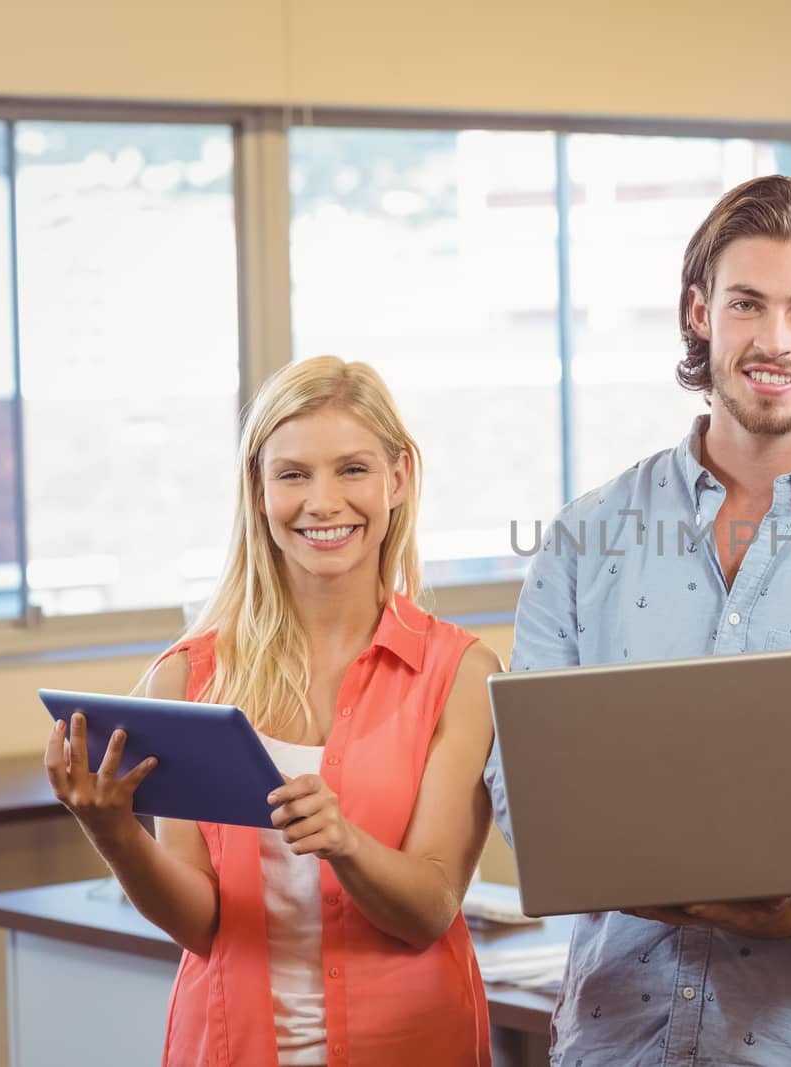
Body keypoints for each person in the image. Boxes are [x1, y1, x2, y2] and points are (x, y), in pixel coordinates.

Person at [484, 174, 791, 1066]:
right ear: (699, 311)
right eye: (747, 303)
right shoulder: (584, 538)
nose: (775, 340)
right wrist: (618, 864)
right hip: (613, 1042)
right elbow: (521, 773)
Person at [44, 356, 500, 1067]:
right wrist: (112, 833)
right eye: (292, 474)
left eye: (352, 469)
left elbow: (431, 907)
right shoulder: (188, 677)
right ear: (258, 490)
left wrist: (344, 842)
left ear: (399, 478)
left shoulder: (461, 675)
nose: (323, 502)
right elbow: (202, 922)